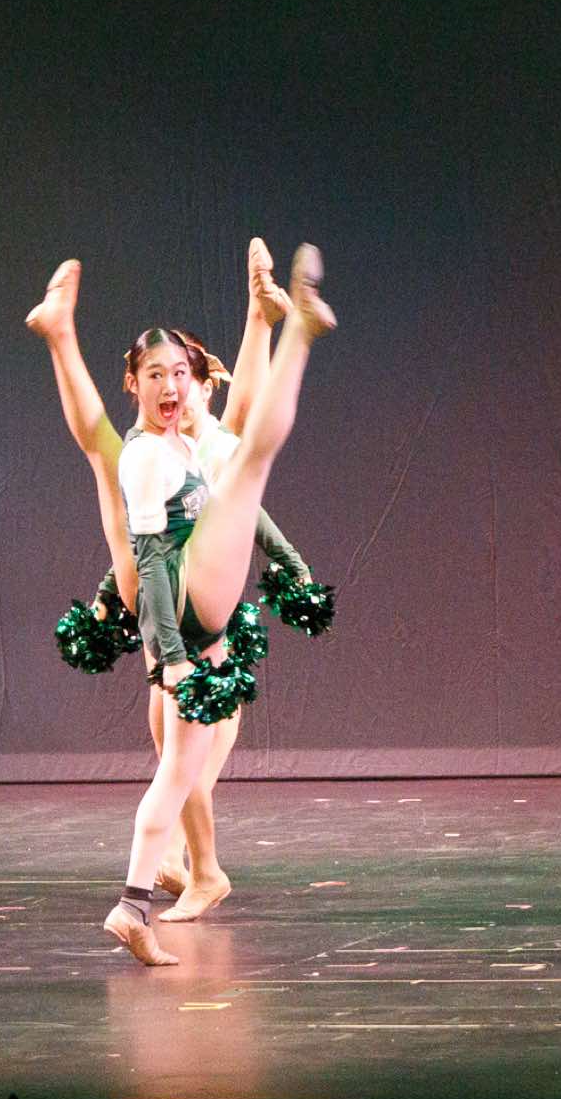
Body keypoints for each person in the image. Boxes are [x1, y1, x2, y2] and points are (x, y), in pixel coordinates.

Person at [35, 243, 336, 965]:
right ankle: (170, 883)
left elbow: (232, 489)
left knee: (179, 773)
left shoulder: (180, 448)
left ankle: (154, 892)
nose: (177, 388)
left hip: (178, 611)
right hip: (184, 617)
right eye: (159, 376)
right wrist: (171, 654)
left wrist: (291, 568)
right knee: (243, 460)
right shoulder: (157, 454)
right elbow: (153, 551)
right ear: (135, 382)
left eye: (184, 376)